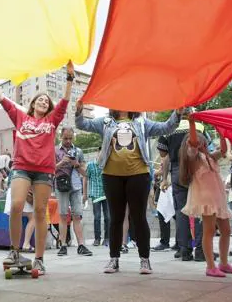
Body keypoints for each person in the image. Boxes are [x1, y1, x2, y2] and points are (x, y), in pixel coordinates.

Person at [0, 61, 75, 276]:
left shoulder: (52, 121)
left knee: (39, 211)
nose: (44, 102)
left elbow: (64, 101)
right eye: (41, 99)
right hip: (21, 168)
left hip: (44, 171)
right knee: (17, 205)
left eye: (47, 101)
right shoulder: (20, 117)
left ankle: (39, 258)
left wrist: (70, 79)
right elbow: (2, 99)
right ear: (33, 103)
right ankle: (15, 251)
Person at [76, 101, 183, 274]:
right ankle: (114, 259)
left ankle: (145, 260)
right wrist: (79, 110)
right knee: (116, 218)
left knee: (139, 217)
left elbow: (166, 127)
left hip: (138, 175)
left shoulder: (141, 122)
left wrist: (177, 113)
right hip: (111, 176)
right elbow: (82, 124)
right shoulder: (105, 122)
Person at [179, 132, 232, 277]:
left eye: (201, 139)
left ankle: (223, 263)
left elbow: (224, 151)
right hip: (206, 199)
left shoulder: (210, 157)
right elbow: (192, 148)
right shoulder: (193, 158)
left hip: (217, 197)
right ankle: (210, 266)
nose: (200, 141)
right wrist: (192, 124)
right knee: (209, 230)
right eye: (196, 140)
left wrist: (222, 133)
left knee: (226, 230)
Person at [157, 117, 211, 262]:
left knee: (181, 212)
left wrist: (164, 178)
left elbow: (164, 156)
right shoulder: (199, 126)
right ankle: (201, 251)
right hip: (197, 170)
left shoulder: (168, 128)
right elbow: (207, 148)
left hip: (177, 171)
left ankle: (184, 251)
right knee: (200, 211)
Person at [55, 126, 92, 257]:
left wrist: (76, 164)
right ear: (61, 137)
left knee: (77, 215)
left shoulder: (78, 151)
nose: (68, 141)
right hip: (61, 186)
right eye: (65, 138)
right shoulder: (55, 151)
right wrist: (61, 162)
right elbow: (49, 170)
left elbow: (85, 173)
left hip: (76, 186)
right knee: (63, 215)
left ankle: (81, 245)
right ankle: (63, 245)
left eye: (70, 138)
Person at [84, 149, 109, 247]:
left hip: (106, 193)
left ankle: (107, 238)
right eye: (100, 153)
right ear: (97, 153)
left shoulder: (107, 164)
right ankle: (97, 239)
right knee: (97, 217)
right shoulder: (90, 165)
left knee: (108, 217)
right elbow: (85, 178)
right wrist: (84, 194)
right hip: (95, 193)